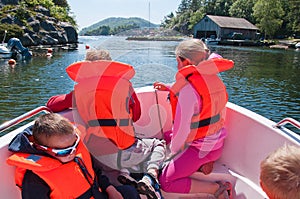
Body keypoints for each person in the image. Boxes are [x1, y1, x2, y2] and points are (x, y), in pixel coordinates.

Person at [46, 49, 166, 199]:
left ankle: (125, 175)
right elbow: (137, 115)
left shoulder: (79, 90)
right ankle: (150, 175)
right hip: (126, 149)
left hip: (99, 156)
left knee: (103, 164)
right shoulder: (125, 85)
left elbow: (52, 104)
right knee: (158, 144)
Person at [153, 39, 234, 198]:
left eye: (177, 61)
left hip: (200, 149)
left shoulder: (188, 91)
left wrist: (173, 155)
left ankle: (218, 189)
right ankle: (201, 164)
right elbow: (202, 100)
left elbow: (182, 132)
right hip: (215, 143)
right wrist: (170, 87)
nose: (177, 65)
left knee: (166, 181)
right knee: (168, 135)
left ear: (186, 62)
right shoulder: (214, 79)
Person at [6, 113, 140, 199]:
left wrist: (111, 190)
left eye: (75, 144)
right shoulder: (35, 178)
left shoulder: (77, 152)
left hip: (99, 194)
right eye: (64, 151)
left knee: (130, 192)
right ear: (42, 149)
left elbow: (95, 172)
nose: (73, 152)